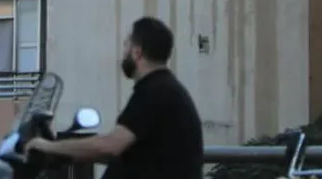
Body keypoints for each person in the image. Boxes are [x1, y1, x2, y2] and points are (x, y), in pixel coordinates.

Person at [24, 16, 204, 179]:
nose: (123, 52)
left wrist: (47, 146)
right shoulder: (163, 89)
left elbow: (110, 146)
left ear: (137, 52)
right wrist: (68, 152)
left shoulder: (156, 93)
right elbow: (121, 151)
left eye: (126, 45)